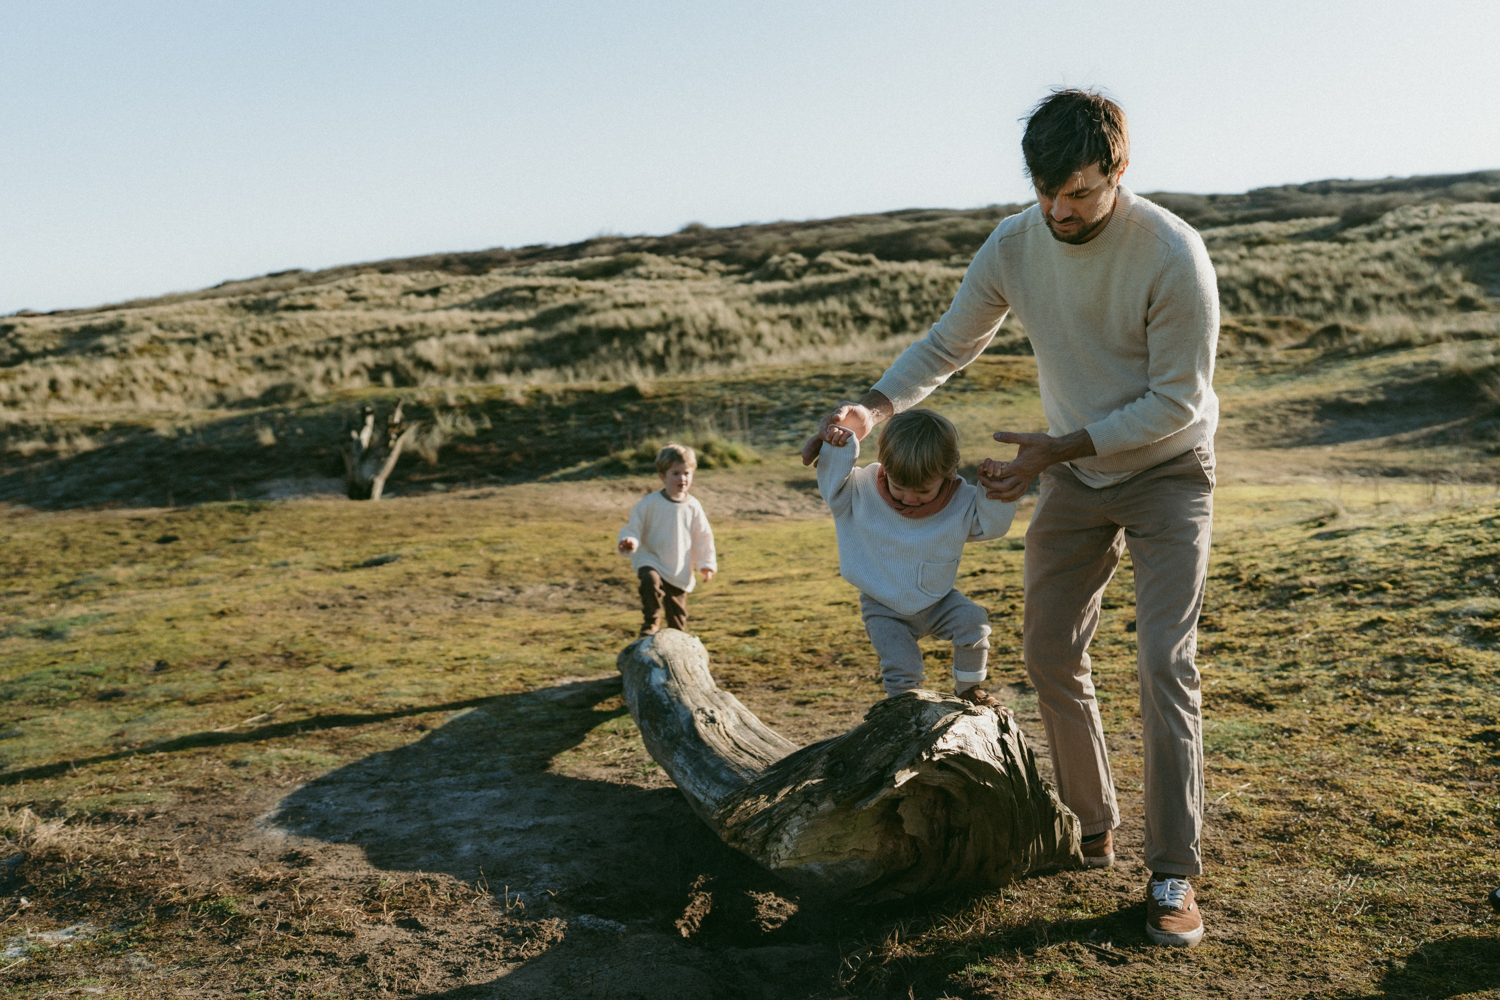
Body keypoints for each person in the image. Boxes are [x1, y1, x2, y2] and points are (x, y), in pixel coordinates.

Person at [802, 88, 1218, 948]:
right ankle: (1089, 824)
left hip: (1169, 472)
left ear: (1118, 172)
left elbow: (1178, 402)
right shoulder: (1017, 241)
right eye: (1045, 193)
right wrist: (866, 410)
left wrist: (1053, 452)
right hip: (1071, 474)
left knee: (1161, 661)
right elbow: (951, 342)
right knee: (1048, 651)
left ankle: (1173, 870)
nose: (1059, 212)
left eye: (1079, 194)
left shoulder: (1173, 254)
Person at [813, 409, 1015, 704]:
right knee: (901, 667)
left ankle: (969, 688)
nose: (909, 498)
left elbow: (991, 527)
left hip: (938, 598)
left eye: (922, 491)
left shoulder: (959, 499)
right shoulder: (858, 490)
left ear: (948, 473)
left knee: (975, 623)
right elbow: (830, 485)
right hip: (882, 604)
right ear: (885, 466)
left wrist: (992, 490)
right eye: (898, 486)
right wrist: (839, 447)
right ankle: (903, 708)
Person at [617, 444, 717, 636]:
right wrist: (629, 540)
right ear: (662, 476)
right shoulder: (649, 504)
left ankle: (677, 642)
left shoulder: (693, 506)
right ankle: (651, 622)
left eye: (687, 473)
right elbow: (634, 527)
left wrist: (706, 563)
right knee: (649, 580)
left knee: (677, 621)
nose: (682, 479)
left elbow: (703, 536)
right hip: (651, 558)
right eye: (676, 473)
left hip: (678, 565)